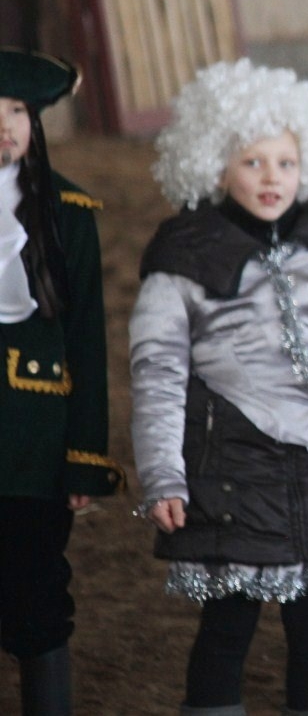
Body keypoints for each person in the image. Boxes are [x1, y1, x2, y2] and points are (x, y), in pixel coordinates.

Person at [129, 59, 308, 716]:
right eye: (253, 162)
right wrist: (164, 474)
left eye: (286, 162)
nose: (273, 177)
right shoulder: (182, 255)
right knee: (227, 629)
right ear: (215, 165)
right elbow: (158, 372)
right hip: (232, 476)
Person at [0, 49, 122, 715]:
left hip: (37, 449)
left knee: (38, 597)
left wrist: (84, 456)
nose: (6, 126)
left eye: (18, 111)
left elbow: (87, 339)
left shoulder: (70, 210)